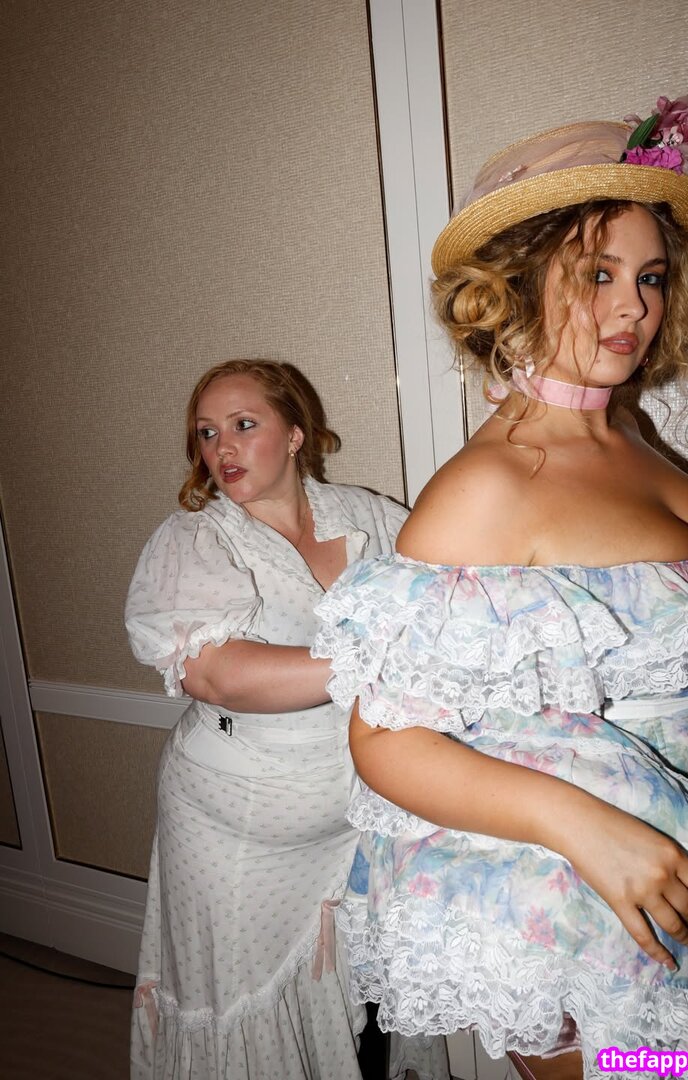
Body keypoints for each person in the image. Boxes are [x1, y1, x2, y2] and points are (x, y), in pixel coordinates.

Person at [313, 96, 688, 1079]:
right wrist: (590, 832)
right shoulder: (483, 491)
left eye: (651, 276)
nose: (634, 308)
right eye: (597, 274)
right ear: (518, 284)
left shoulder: (631, 434)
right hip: (580, 883)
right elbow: (385, 742)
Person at [125, 359, 448, 1080]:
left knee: (360, 996)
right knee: (243, 1009)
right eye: (207, 433)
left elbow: (450, 590)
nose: (223, 448)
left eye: (244, 424)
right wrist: (380, 657)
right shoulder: (197, 540)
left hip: (361, 816)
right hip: (233, 829)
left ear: (296, 435)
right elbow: (218, 674)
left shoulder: (369, 518)